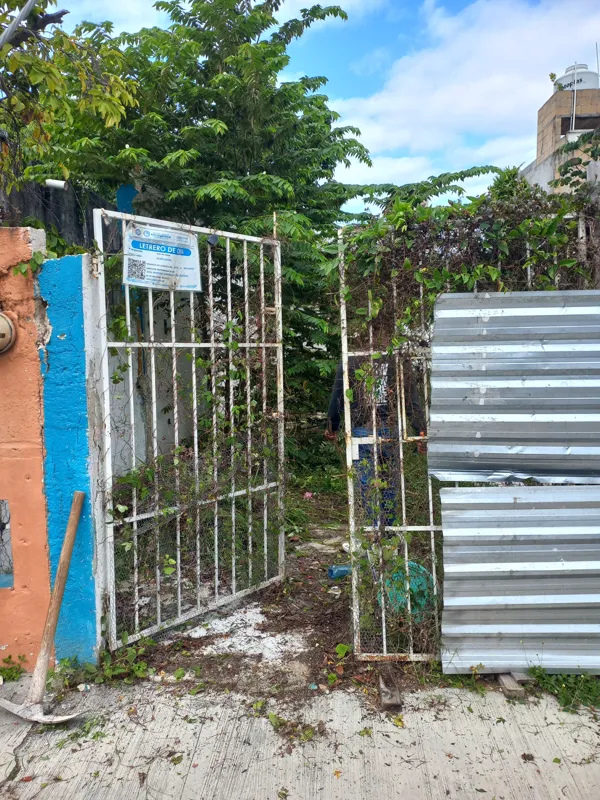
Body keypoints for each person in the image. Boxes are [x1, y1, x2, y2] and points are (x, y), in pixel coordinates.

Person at [325, 356, 427, 527]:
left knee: (365, 485)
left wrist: (331, 425)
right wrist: (421, 430)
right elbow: (411, 399)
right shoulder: (397, 359)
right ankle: (388, 533)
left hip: (361, 429)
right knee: (389, 484)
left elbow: (338, 395)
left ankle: (371, 532)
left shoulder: (351, 359)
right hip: (389, 428)